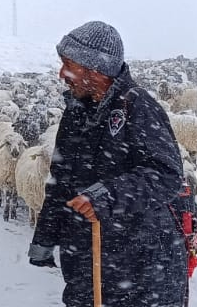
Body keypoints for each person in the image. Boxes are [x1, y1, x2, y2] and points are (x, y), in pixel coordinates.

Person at [27, 21, 188, 307]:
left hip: (142, 267)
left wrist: (108, 195)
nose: (61, 74)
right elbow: (60, 180)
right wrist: (45, 237)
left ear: (95, 70)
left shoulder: (138, 107)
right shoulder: (76, 113)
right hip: (87, 262)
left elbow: (167, 174)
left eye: (68, 65)